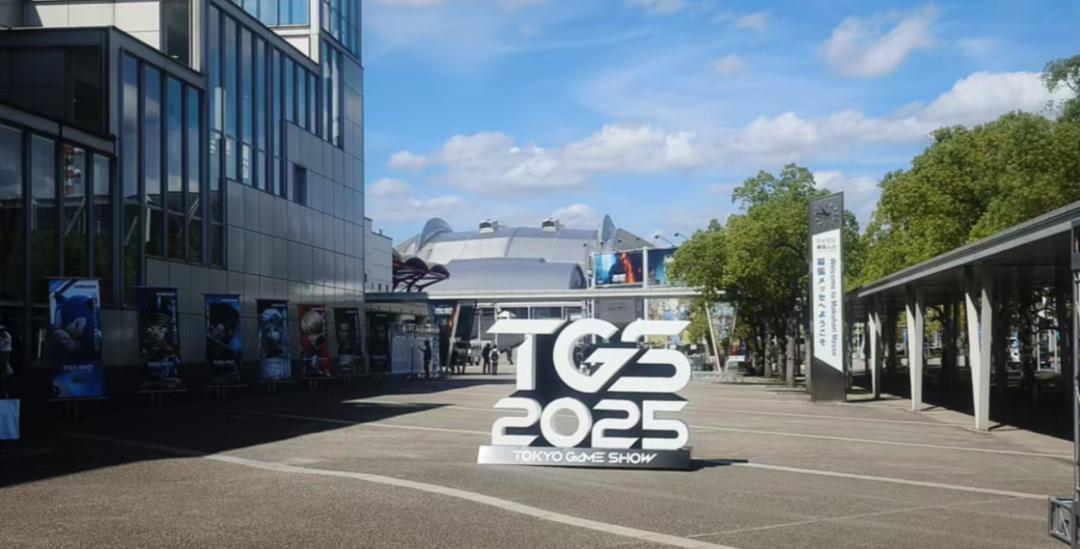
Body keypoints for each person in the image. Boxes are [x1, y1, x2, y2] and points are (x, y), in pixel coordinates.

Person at [0, 319, 11, 399]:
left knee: (4, 376)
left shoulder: (7, 336)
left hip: (4, 356)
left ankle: (4, 393)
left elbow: (4, 348)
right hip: (3, 355)